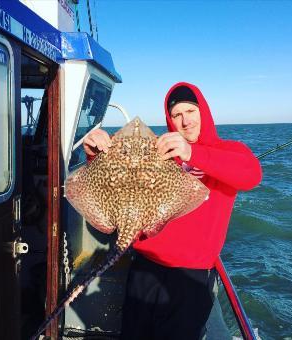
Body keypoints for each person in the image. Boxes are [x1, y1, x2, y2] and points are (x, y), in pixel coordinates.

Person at [83, 82, 262, 340]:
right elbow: (119, 183)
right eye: (177, 114)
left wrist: (192, 153)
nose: (185, 120)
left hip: (189, 278)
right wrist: (95, 156)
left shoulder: (228, 151)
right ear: (169, 119)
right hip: (144, 268)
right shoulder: (158, 153)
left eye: (191, 111)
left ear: (203, 111)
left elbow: (251, 174)